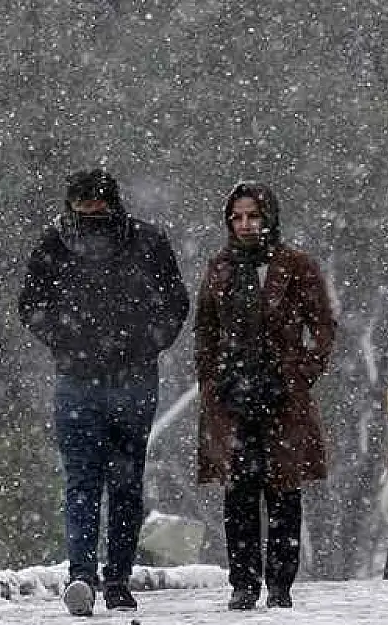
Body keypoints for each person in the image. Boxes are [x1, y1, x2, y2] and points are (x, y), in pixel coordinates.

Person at [18, 168, 190, 616]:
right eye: (84, 205)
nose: (91, 214)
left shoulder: (142, 242)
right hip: (88, 378)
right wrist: (71, 341)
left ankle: (109, 576)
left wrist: (141, 343)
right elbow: (32, 305)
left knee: (116, 483)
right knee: (94, 481)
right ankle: (87, 575)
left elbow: (174, 303)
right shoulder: (59, 244)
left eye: (97, 204)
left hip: (119, 377)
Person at [194, 181, 335, 611]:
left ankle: (280, 585)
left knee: (283, 492)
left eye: (253, 215)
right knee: (238, 494)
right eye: (237, 217)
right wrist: (212, 381)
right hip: (233, 398)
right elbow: (205, 331)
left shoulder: (296, 265)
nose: (245, 224)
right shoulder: (219, 268)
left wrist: (301, 373)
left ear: (268, 217)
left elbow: (324, 326)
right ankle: (243, 583)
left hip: (282, 398)